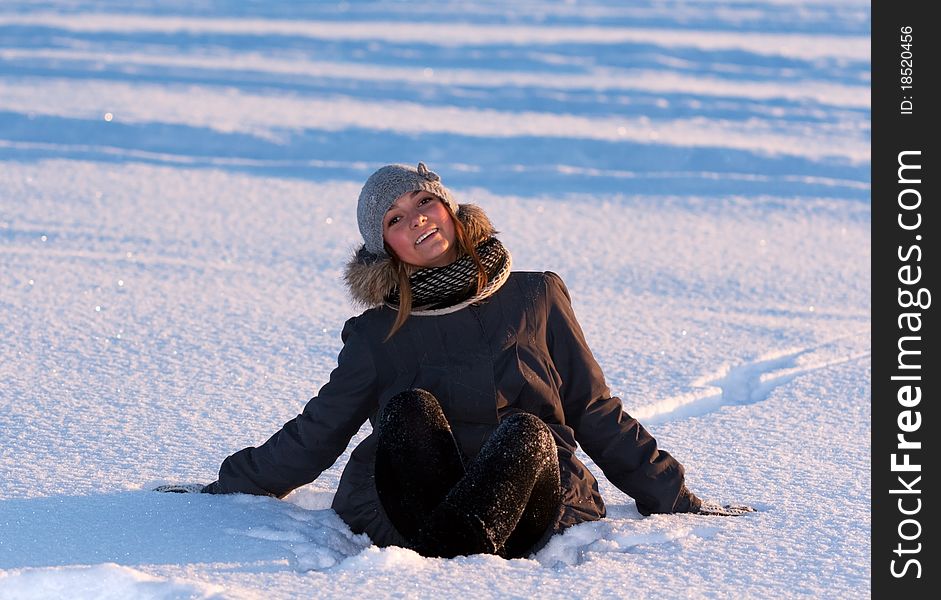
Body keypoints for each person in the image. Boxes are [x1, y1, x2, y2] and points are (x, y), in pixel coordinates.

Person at [166, 162, 753, 559]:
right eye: (396, 219)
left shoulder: (535, 296)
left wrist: (671, 496)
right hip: (410, 505)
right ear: (383, 246)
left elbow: (592, 408)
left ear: (451, 211)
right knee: (411, 410)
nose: (418, 218)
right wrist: (229, 485)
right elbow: (321, 429)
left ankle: (447, 557)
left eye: (426, 202)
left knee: (528, 431)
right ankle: (456, 555)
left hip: (527, 500)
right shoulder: (377, 332)